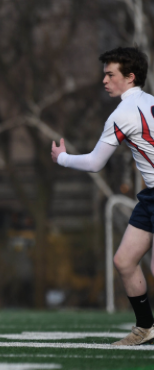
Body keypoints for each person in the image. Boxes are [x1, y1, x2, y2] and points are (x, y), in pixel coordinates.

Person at [52, 47, 154, 346]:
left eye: (111, 74)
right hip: (150, 196)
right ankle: (146, 328)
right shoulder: (148, 102)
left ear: (130, 77)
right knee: (124, 260)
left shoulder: (124, 113)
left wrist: (62, 158)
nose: (104, 80)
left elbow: (96, 163)